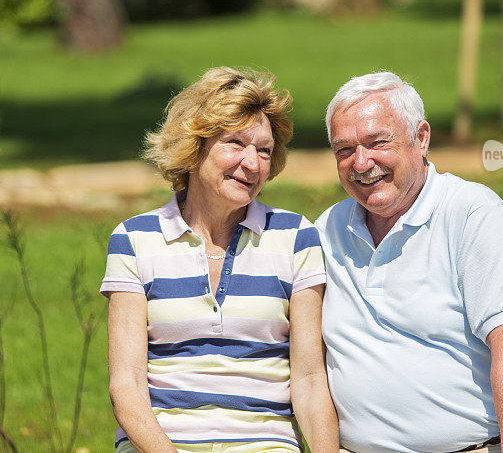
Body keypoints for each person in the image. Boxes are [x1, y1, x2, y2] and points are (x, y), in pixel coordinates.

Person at [101, 67, 339, 453]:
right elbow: (125, 385)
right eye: (235, 143)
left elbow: (311, 380)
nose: (252, 163)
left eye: (264, 150)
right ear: (194, 147)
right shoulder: (134, 239)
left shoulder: (296, 238)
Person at [316, 72, 503, 453]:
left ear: (420, 138)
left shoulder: (473, 214)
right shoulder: (329, 230)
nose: (361, 162)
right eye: (344, 150)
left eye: (377, 142)